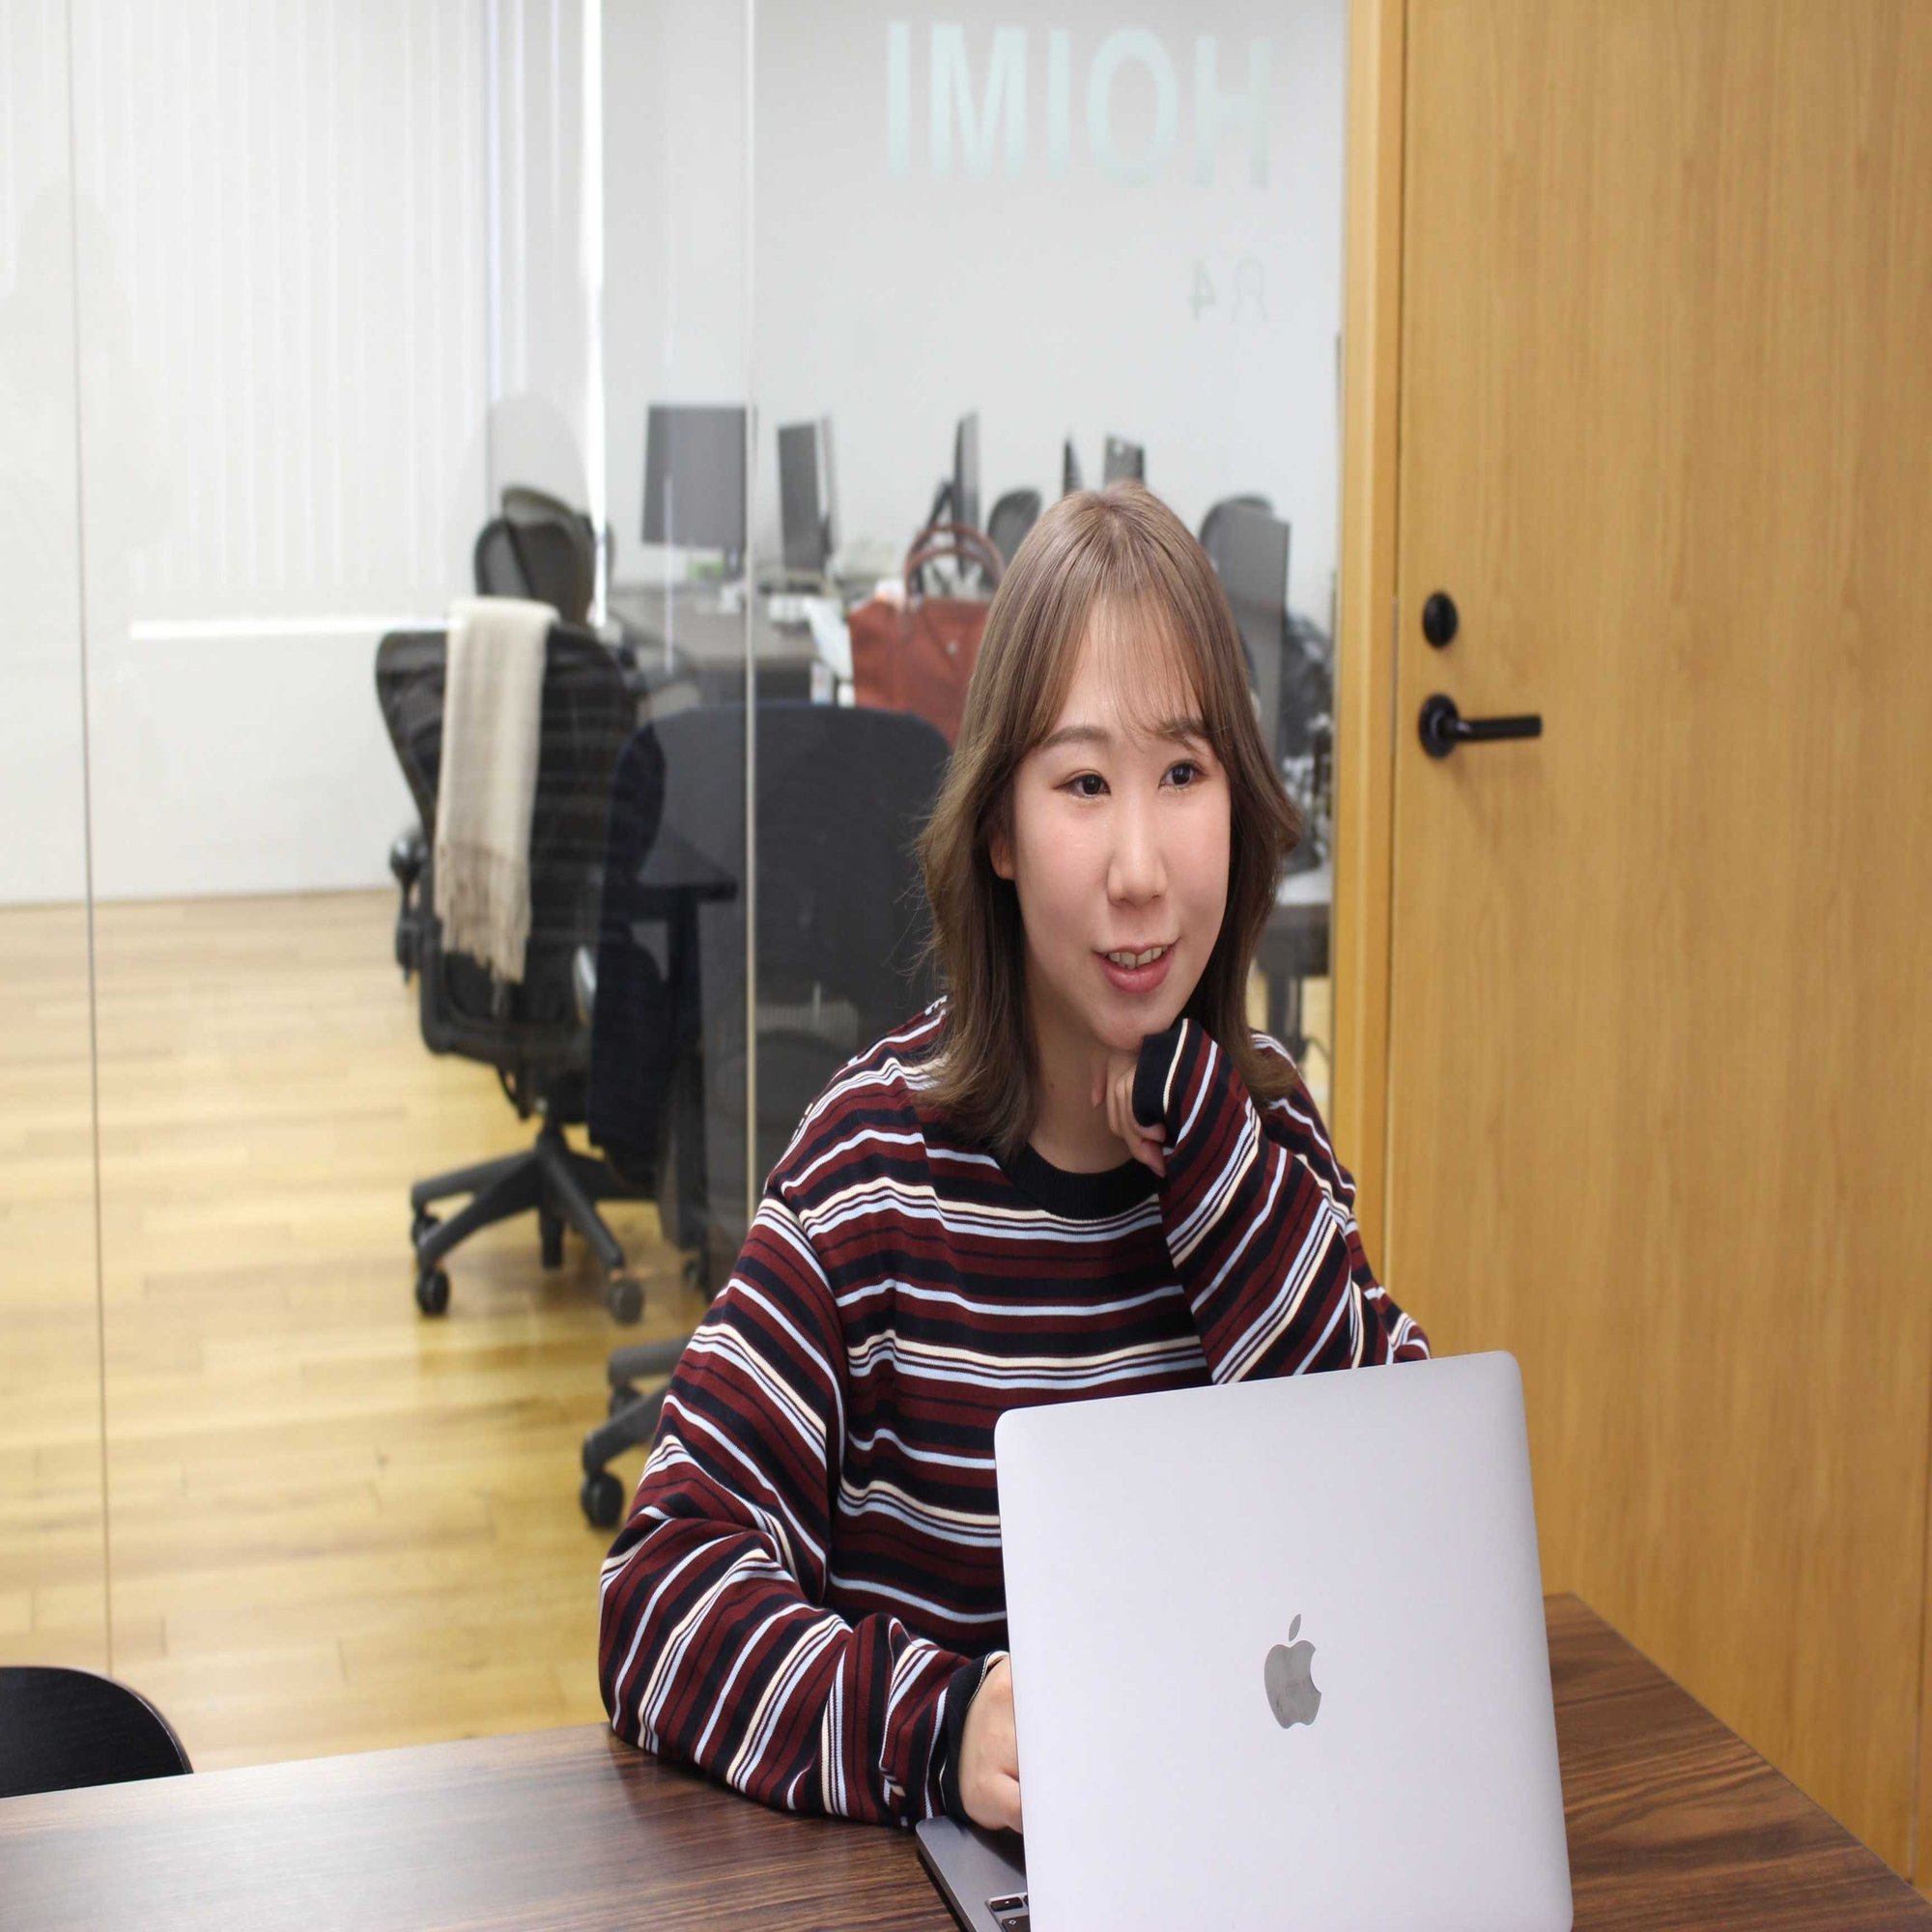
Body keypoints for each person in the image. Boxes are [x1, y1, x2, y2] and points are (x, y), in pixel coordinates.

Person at [597, 481, 1429, 1833]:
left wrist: (1222, 1174)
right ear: (998, 828)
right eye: (1084, 784)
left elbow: (1396, 1534)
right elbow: (656, 1602)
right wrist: (939, 1726)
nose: (1141, 868)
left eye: (1184, 774)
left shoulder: (1270, 1142)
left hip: (1233, 1844)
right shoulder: (869, 1172)